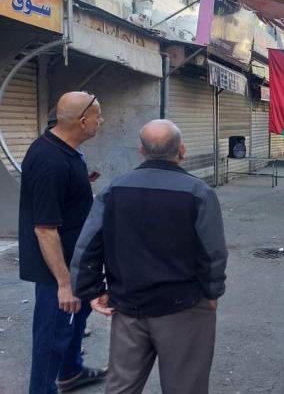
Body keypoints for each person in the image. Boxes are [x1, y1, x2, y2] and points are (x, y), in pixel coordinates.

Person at [70, 119, 228, 394]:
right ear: (182, 150)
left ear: (141, 151)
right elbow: (212, 251)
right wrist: (212, 292)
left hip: (128, 305)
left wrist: (91, 290)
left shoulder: (114, 189)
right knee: (185, 386)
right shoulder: (198, 192)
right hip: (184, 306)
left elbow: (87, 245)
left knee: (121, 387)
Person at [18, 91, 106, 393]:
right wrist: (64, 284)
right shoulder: (50, 161)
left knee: (76, 320)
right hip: (57, 270)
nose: (101, 121)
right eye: (98, 116)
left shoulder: (67, 150)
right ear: (82, 122)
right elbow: (45, 230)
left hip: (77, 262)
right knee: (53, 336)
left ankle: (70, 372)